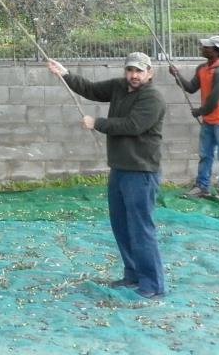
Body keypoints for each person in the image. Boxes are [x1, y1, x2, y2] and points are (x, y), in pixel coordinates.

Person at [46, 52, 166, 299]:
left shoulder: (152, 98)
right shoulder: (119, 87)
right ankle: (132, 275)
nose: (133, 75)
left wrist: (97, 123)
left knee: (141, 228)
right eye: (130, 70)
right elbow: (90, 89)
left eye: (139, 71)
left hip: (141, 172)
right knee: (121, 226)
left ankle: (153, 284)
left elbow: (133, 126)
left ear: (149, 73)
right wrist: (65, 73)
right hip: (120, 169)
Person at [169, 35, 219, 201]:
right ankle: (202, 187)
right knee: (205, 155)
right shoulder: (202, 68)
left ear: (216, 51)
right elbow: (191, 88)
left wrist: (200, 111)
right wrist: (177, 75)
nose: (202, 48)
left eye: (206, 46)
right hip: (209, 120)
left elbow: (214, 99)